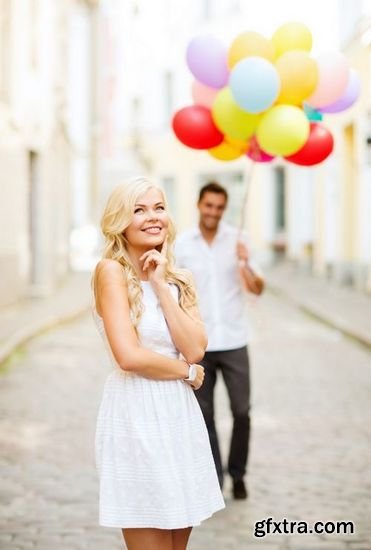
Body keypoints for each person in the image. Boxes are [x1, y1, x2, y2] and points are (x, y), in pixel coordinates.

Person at [92, 177, 224, 550]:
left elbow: (195, 347)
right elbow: (129, 356)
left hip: (178, 417)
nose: (152, 217)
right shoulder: (111, 272)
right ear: (120, 221)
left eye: (159, 207)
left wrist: (162, 283)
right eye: (139, 209)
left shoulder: (180, 279)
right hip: (136, 413)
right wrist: (186, 373)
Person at [175, 181, 264, 500]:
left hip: (235, 338)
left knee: (242, 411)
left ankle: (238, 474)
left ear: (224, 209)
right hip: (199, 343)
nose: (213, 212)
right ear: (199, 205)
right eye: (208, 205)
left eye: (219, 207)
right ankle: (214, 477)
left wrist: (245, 262)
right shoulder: (182, 244)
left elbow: (257, 288)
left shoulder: (239, 240)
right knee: (204, 415)